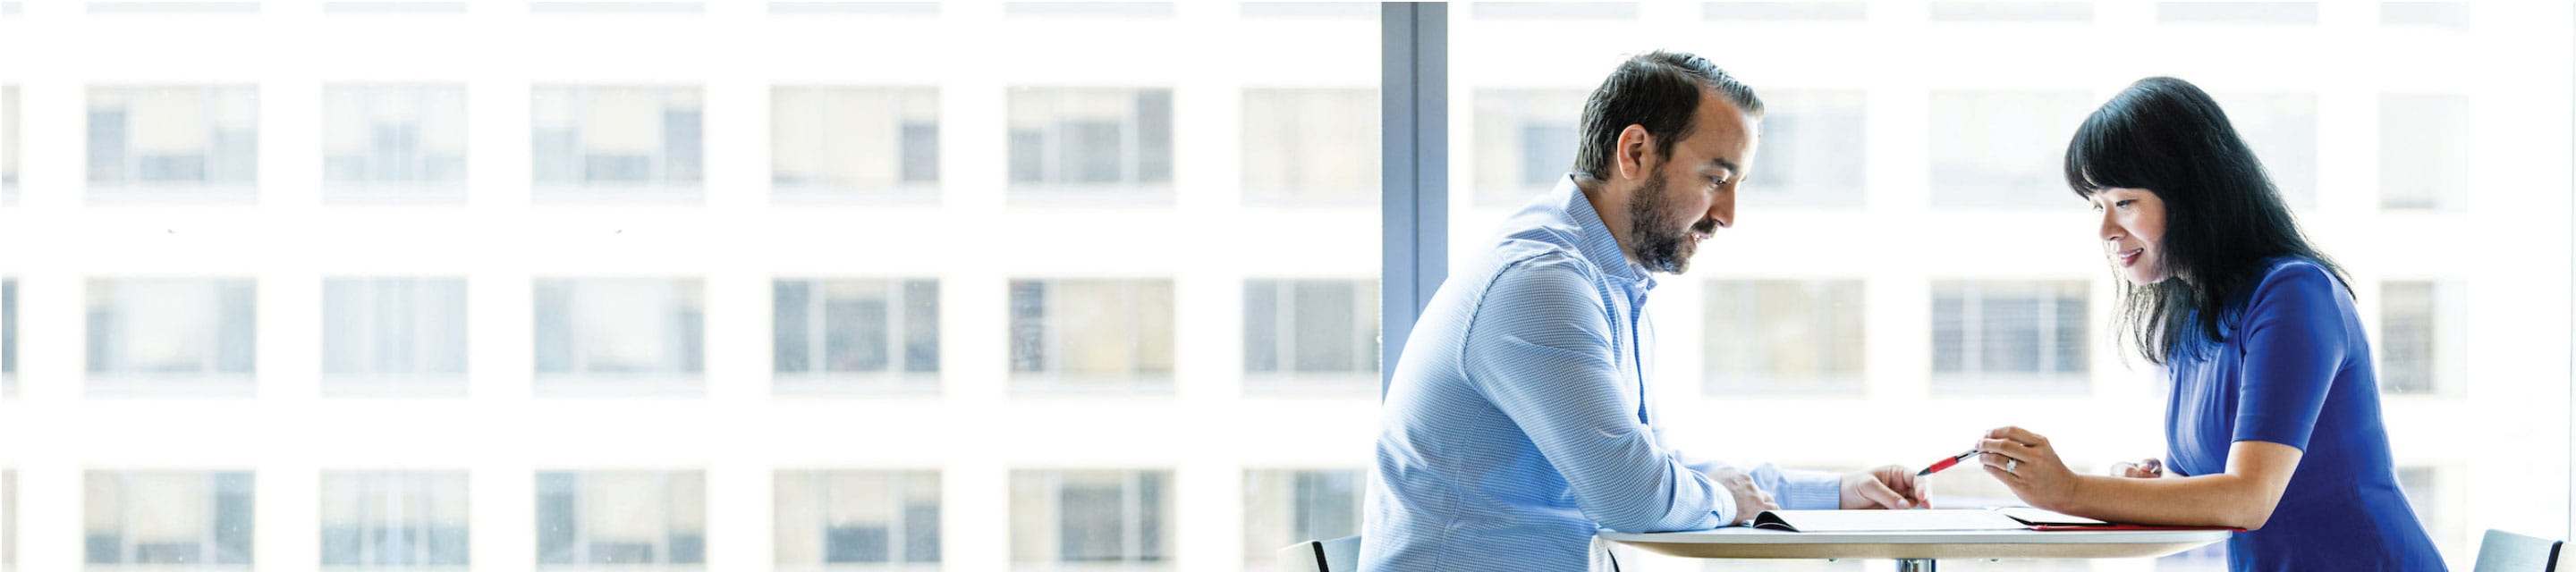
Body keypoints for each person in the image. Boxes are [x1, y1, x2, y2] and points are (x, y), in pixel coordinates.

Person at [1360, 50, 1926, 571]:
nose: (1728, 215)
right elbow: (1636, 496)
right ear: (1635, 152)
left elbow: (1652, 465)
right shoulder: (1541, 283)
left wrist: (1837, 492)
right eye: (1715, 179)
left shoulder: (1605, 279)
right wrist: (1728, 499)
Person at [1970, 77, 2445, 571]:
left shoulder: (2294, 294)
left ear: (2192, 193)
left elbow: (2247, 500)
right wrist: (2136, 489)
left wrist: (2070, 490)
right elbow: (2205, 491)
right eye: (2098, 206)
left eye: (2124, 203)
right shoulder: (2194, 317)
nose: (2107, 230)